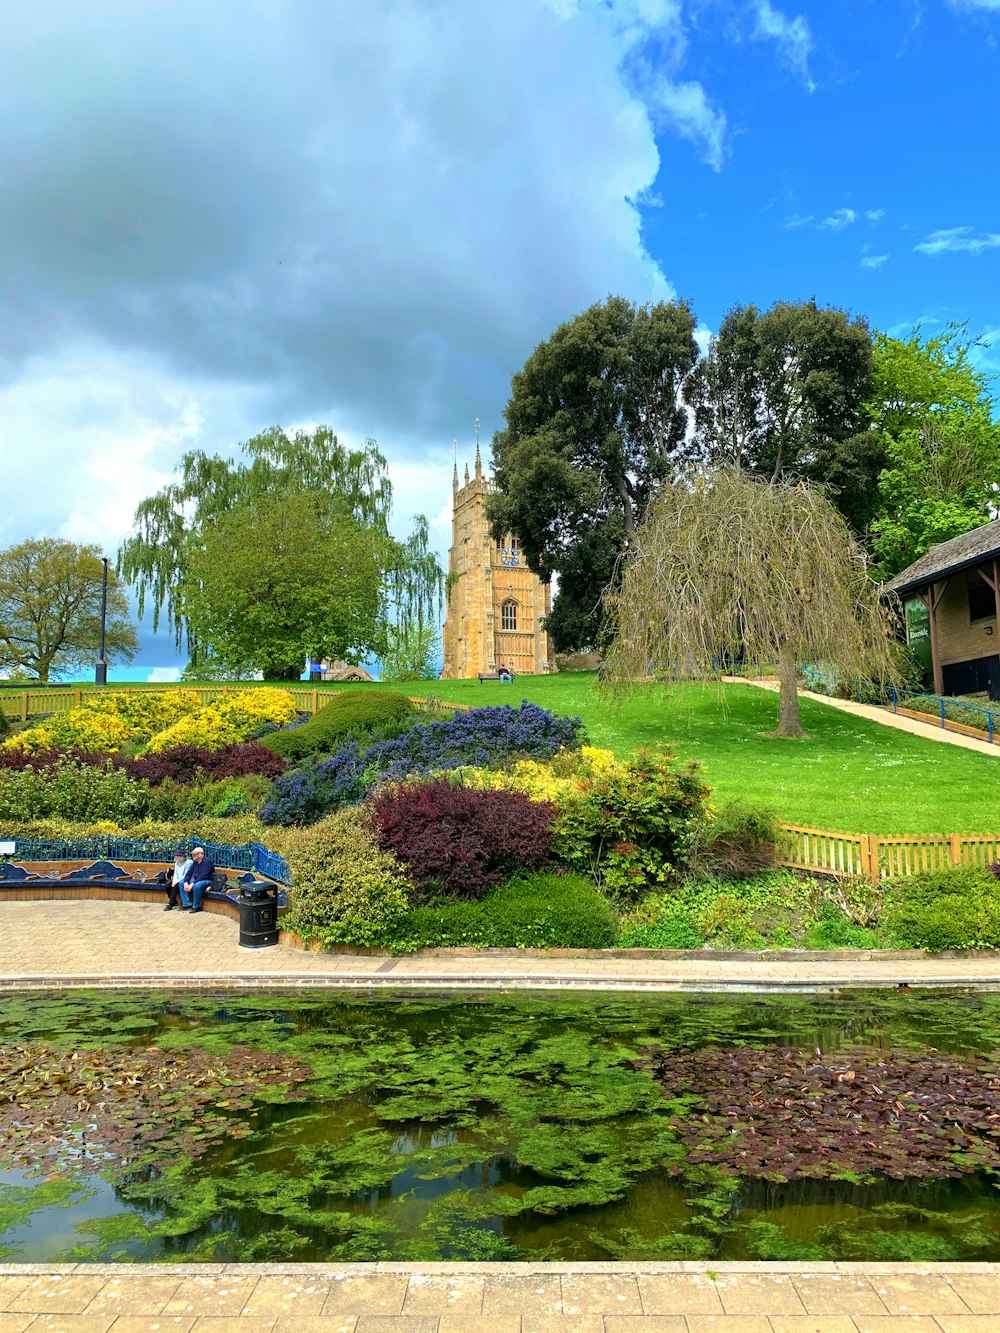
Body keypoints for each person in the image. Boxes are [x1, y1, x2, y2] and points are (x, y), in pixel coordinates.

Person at [180, 846, 216, 914]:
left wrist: (192, 884)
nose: (192, 855)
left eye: (194, 854)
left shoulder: (207, 862)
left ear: (200, 854)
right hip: (196, 879)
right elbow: (189, 873)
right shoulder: (195, 862)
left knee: (197, 886)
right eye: (192, 854)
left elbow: (203, 876)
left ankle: (196, 906)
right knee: (181, 883)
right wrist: (186, 882)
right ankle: (187, 904)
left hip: (207, 880)